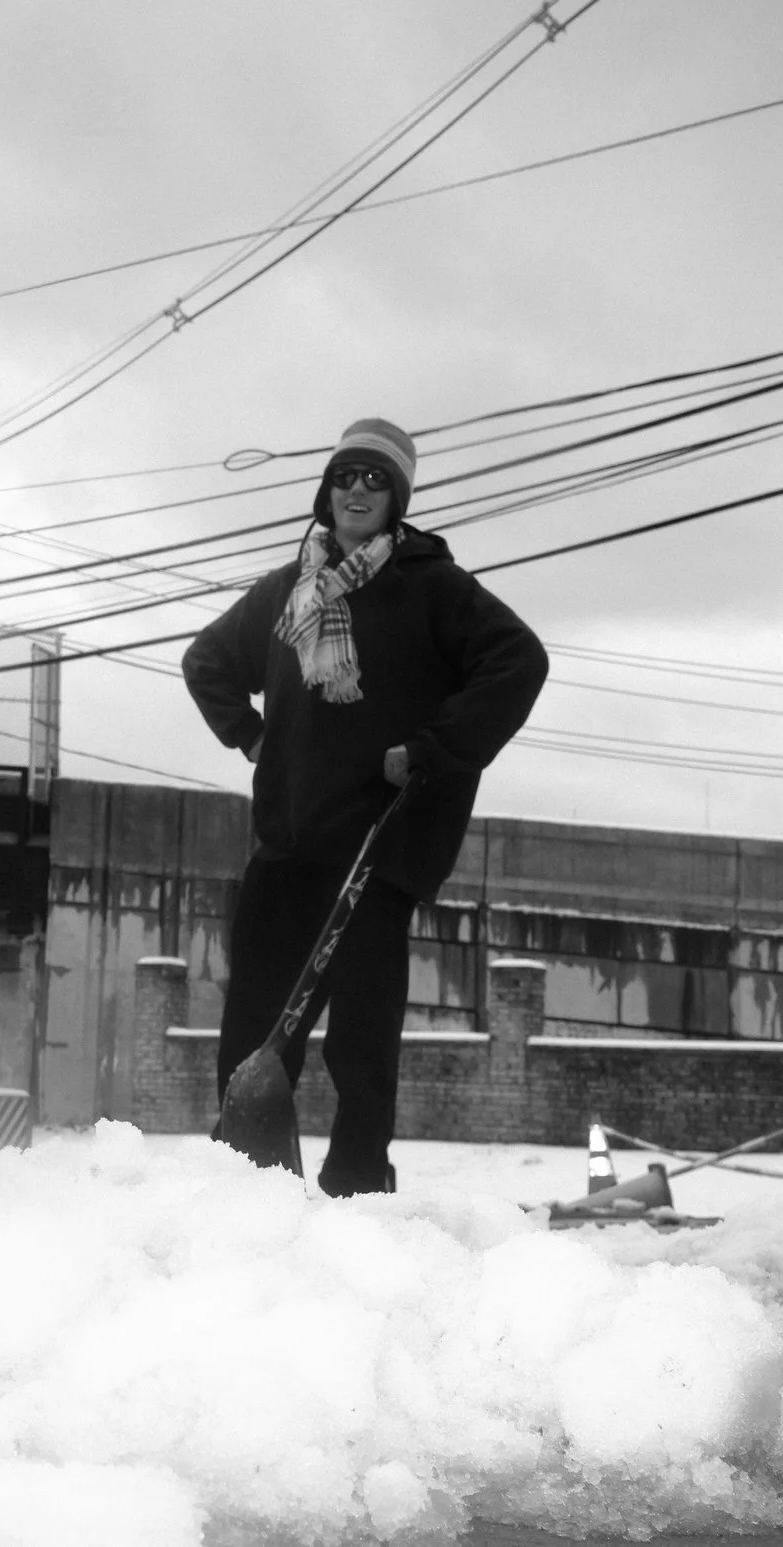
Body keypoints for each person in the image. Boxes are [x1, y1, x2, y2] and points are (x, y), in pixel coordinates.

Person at [181, 417, 546, 1195]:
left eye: (376, 480)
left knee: (361, 1045)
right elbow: (207, 661)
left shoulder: (431, 586)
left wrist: (431, 750)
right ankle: (244, 1189)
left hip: (376, 851)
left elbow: (519, 662)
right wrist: (250, 735)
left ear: (399, 497)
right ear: (327, 487)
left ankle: (356, 1194)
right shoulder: (288, 590)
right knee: (253, 1032)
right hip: (287, 844)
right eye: (346, 475)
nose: (357, 490)